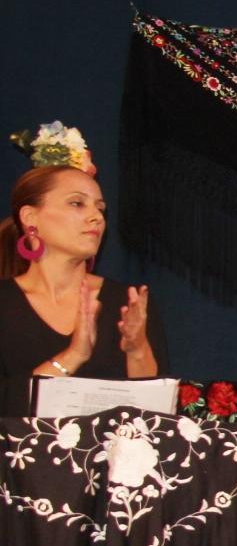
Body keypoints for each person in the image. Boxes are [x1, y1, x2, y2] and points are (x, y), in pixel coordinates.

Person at [1, 122, 166, 415]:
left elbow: (156, 417)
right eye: (77, 204)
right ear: (30, 217)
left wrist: (137, 349)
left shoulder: (127, 303)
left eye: (100, 208)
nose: (96, 217)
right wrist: (73, 356)